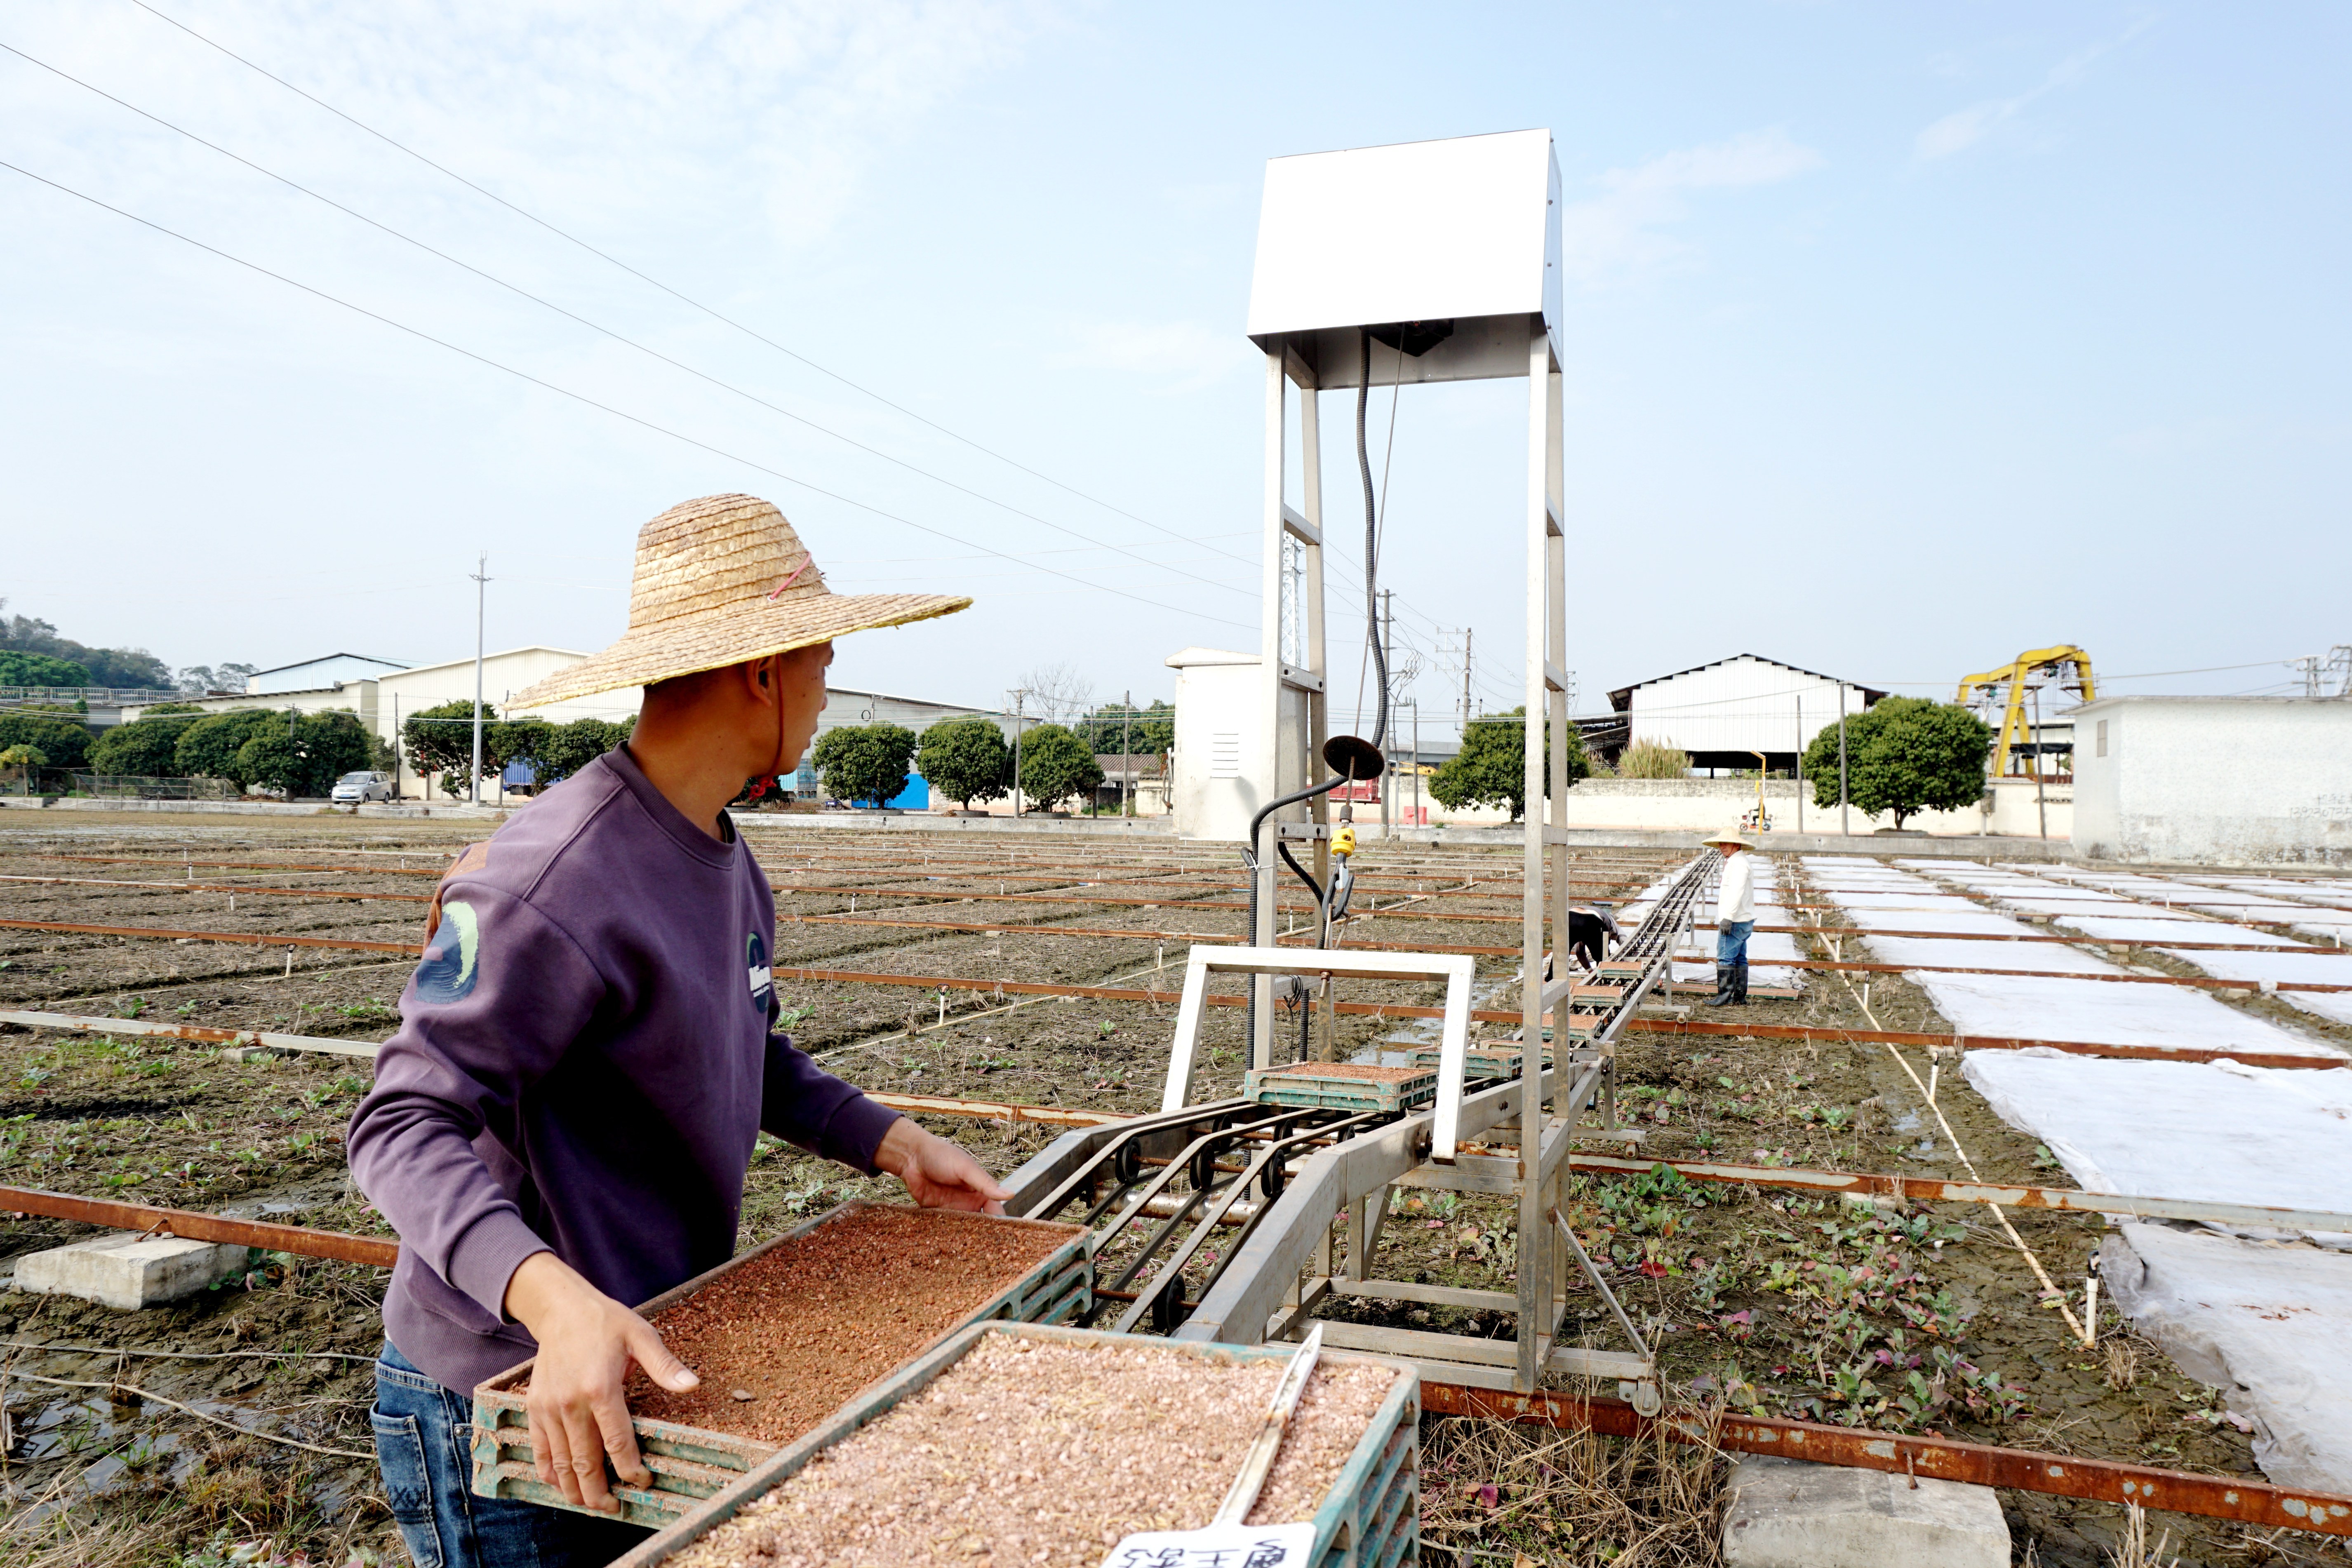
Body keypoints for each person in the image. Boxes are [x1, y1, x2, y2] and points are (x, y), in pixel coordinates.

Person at [347, 494, 1007, 1568]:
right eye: (825, 667)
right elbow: (401, 1122)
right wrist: (555, 1303)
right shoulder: (551, 882)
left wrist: (891, 1141)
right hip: (508, 1392)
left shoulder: (722, 854)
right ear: (764, 672)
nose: (828, 698)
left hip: (640, 1356)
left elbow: (748, 1047)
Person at [1702, 829, 1757, 1006]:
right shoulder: (1736, 862)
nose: (1722, 846)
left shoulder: (1738, 864)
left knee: (1726, 957)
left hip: (1735, 920)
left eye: (1726, 843)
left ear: (1737, 844)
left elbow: (1737, 892)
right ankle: (1739, 997)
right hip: (1742, 919)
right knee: (1740, 958)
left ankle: (1724, 996)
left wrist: (1728, 918)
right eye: (1721, 843)